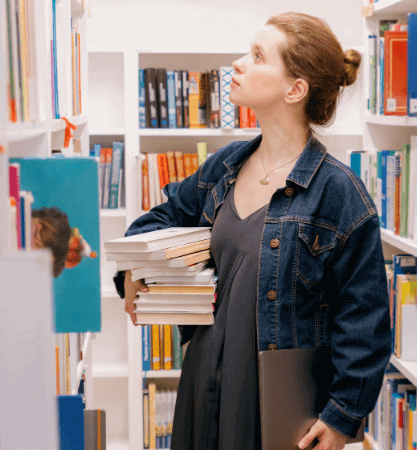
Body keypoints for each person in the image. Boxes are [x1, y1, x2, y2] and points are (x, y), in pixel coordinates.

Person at [113, 11, 391, 450]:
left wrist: (341, 418)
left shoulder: (341, 193)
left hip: (277, 408)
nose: (239, 63)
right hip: (202, 382)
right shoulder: (224, 166)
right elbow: (158, 221)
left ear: (294, 89)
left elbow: (366, 323)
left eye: (258, 56)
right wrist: (135, 271)